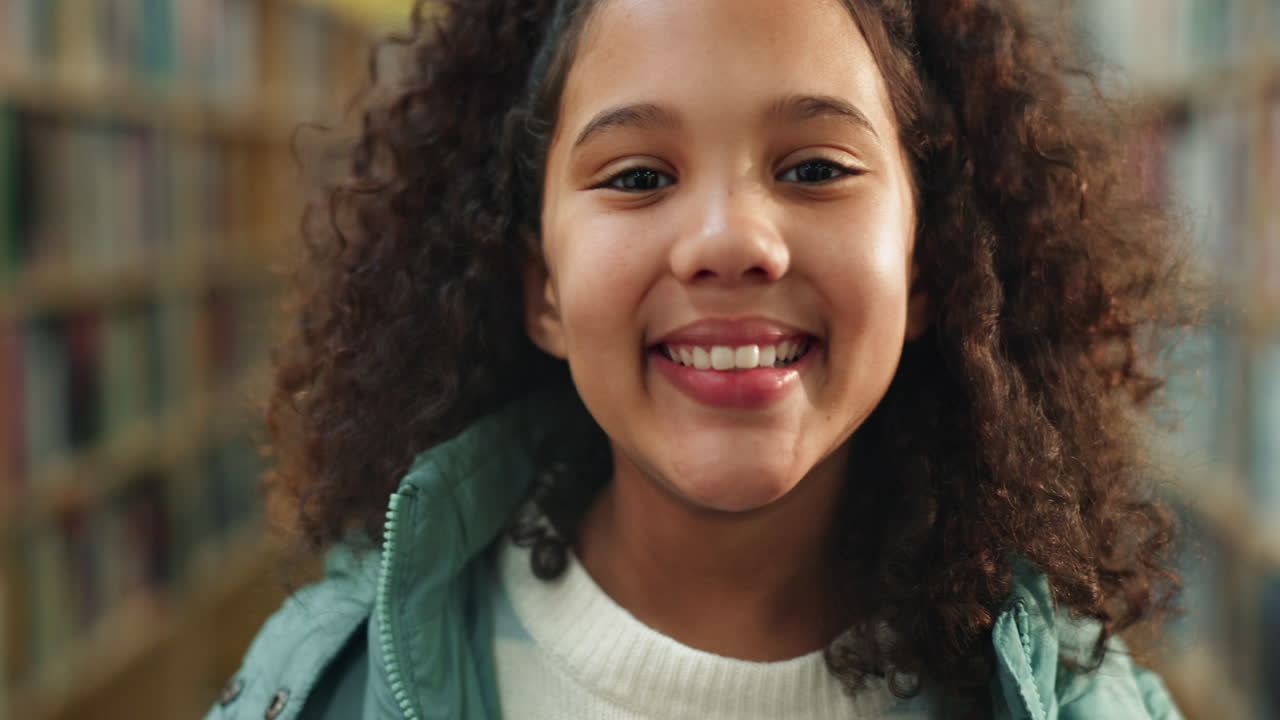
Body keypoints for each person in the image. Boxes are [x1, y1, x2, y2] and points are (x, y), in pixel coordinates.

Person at [207, 0, 1198, 718]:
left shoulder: (1078, 703)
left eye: (813, 169)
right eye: (638, 176)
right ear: (540, 289)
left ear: (927, 268)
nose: (731, 241)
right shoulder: (323, 685)